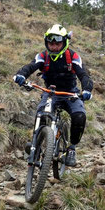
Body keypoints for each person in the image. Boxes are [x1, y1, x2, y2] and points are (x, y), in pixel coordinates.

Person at [13, 24, 93, 167]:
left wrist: (87, 89)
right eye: (51, 43)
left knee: (79, 116)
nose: (54, 47)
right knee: (41, 113)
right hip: (51, 92)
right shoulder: (43, 56)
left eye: (58, 43)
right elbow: (31, 66)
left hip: (70, 93)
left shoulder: (73, 56)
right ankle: (35, 142)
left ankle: (72, 149)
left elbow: (83, 74)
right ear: (46, 43)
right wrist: (21, 75)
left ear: (65, 43)